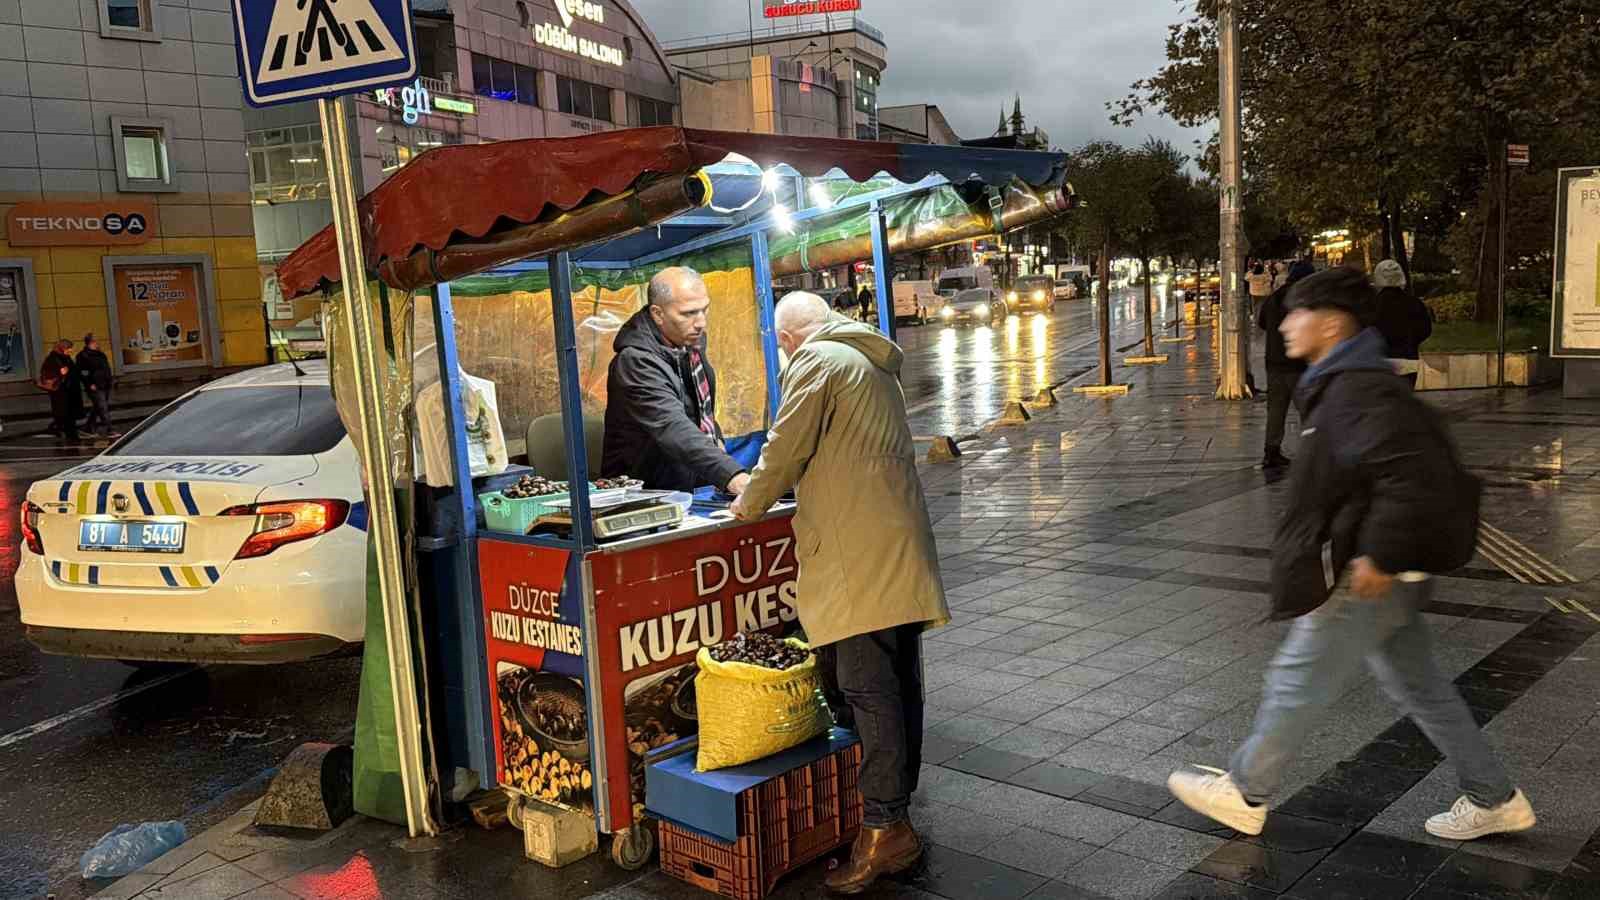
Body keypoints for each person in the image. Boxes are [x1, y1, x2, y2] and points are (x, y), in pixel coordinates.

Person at [1167, 267, 1536, 844]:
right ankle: (1495, 797)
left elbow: (1409, 477)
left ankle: (1245, 791)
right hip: (1386, 569)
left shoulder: (1356, 388)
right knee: (1422, 688)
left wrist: (1378, 557)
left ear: (1332, 322)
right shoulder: (1347, 379)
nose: (1284, 324)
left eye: (1295, 313)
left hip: (1368, 571)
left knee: (1298, 678)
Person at [731, 292, 949, 895]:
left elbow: (785, 445)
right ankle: (893, 813)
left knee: (865, 687)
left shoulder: (817, 361)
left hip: (857, 557)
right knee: (897, 681)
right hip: (894, 546)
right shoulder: (869, 361)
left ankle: (884, 828)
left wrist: (746, 504)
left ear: (786, 338)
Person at [601, 267, 749, 494]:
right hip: (643, 496)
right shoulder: (635, 362)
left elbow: (701, 411)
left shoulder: (689, 344)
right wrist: (733, 476)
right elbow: (672, 426)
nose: (701, 322)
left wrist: (717, 443)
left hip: (687, 486)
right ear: (658, 314)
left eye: (704, 310)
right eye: (688, 313)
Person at [1255, 261, 1313, 468]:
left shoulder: (1273, 298)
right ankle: (1312, 451)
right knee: (1308, 410)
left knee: (1276, 411)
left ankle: (1271, 452)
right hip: (1298, 364)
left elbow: (1261, 323)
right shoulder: (1305, 300)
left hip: (1274, 363)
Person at [1371, 259, 1433, 389]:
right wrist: (1411, 341)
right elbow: (1425, 330)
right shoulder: (1414, 303)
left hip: (1380, 361)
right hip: (1408, 360)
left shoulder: (1371, 305)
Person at [39, 339, 80, 443]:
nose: (70, 350)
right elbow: (46, 375)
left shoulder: (66, 358)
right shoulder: (52, 359)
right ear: (62, 348)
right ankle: (69, 433)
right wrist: (60, 373)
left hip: (70, 390)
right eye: (68, 348)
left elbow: (72, 370)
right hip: (59, 392)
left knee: (69, 413)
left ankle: (66, 431)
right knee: (64, 413)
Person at [77, 333, 114, 439]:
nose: (98, 343)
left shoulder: (100, 354)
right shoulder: (83, 356)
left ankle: (88, 427)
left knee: (98, 407)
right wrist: (89, 384)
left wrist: (109, 380)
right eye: (96, 341)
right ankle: (109, 429)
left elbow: (106, 368)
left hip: (104, 384)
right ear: (91, 342)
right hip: (94, 386)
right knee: (102, 407)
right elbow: (83, 372)